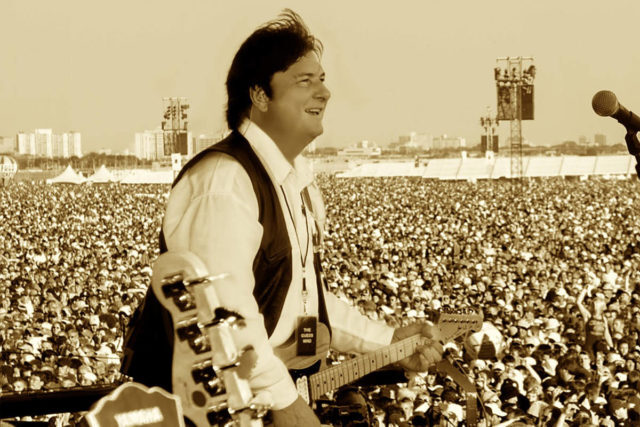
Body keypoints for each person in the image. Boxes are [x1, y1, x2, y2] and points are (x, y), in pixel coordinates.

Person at [121, 9, 443, 426]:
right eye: (304, 81)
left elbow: (301, 302)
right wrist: (285, 402)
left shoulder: (294, 181)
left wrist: (387, 342)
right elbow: (223, 318)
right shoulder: (226, 181)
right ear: (259, 95)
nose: (324, 92)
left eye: (322, 79)